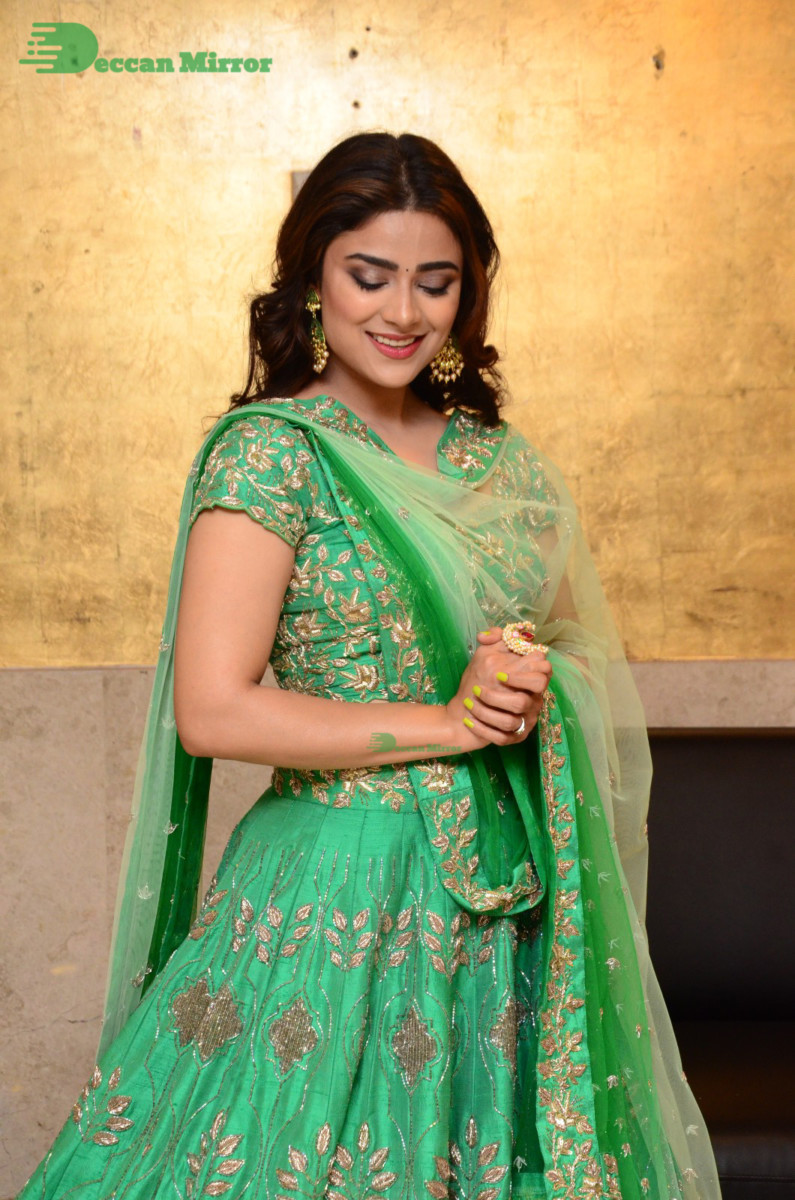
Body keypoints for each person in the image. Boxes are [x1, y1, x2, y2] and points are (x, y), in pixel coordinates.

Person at [16, 131, 721, 1200]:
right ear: (313, 280)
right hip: (329, 895)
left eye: (435, 282)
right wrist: (451, 721)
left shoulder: (503, 465)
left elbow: (574, 646)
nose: (402, 312)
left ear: (466, 296)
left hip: (497, 907)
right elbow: (213, 710)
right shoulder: (273, 452)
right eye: (370, 275)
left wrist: (532, 676)